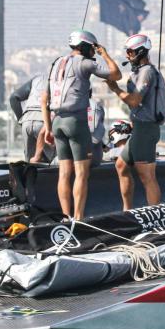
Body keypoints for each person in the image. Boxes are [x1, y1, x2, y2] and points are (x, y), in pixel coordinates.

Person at [40, 30, 121, 220]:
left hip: (57, 121)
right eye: (92, 47)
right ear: (85, 46)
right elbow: (116, 74)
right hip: (76, 121)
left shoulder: (55, 63)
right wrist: (104, 54)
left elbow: (45, 99)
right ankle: (78, 218)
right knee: (81, 173)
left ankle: (65, 217)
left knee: (64, 173)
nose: (93, 51)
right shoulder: (85, 63)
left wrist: (48, 128)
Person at [105, 34, 165, 210]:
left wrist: (115, 89)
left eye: (130, 52)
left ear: (140, 52)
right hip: (140, 128)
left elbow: (134, 101)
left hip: (146, 129)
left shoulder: (146, 72)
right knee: (121, 165)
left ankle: (156, 215)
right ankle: (128, 211)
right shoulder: (139, 72)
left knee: (147, 175)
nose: (127, 55)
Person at [9, 74, 56, 163]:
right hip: (45, 120)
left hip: (27, 121)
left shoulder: (37, 78)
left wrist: (21, 120)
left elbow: (13, 98)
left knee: (29, 165)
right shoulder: (61, 79)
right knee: (54, 161)